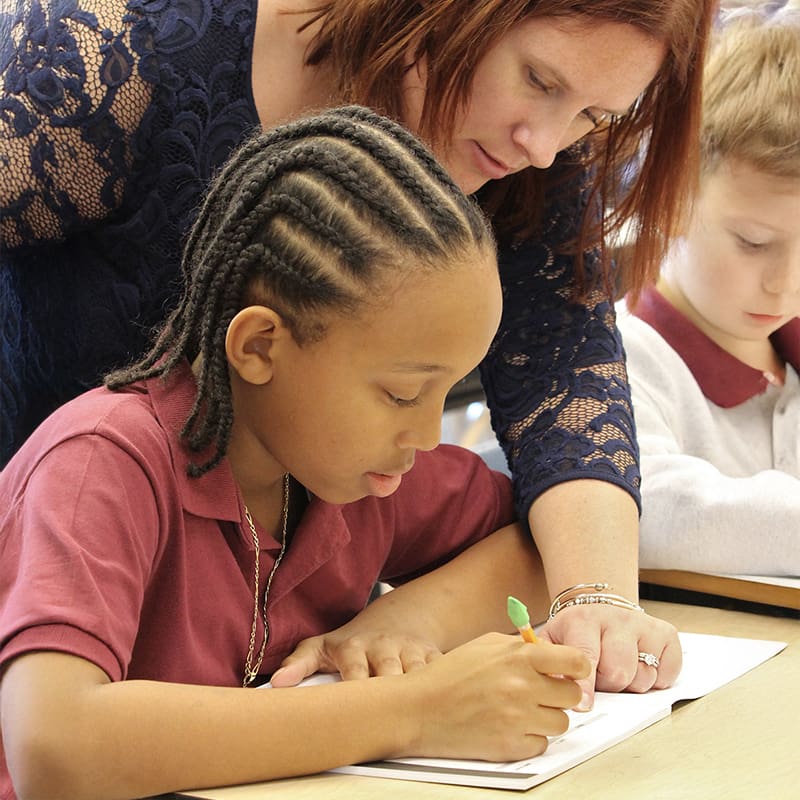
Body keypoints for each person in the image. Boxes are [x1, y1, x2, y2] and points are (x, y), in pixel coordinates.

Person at [0, 0, 713, 706]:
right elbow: (59, 741)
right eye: (538, 80)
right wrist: (395, 715)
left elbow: (564, 382)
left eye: (595, 118)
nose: (545, 145)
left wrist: (588, 603)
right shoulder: (103, 54)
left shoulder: (363, 472)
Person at [0, 105, 613, 799]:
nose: (428, 436)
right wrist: (413, 710)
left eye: (445, 394)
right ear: (260, 346)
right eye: (403, 393)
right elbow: (53, 748)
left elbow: (535, 543)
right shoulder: (101, 463)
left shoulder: (353, 471)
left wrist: (404, 622)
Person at [617, 1, 800, 577]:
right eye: (752, 241)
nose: (784, 284)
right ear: (669, 200)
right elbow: (654, 514)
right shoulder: (616, 357)